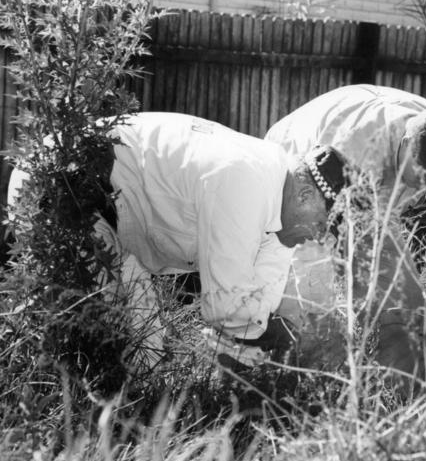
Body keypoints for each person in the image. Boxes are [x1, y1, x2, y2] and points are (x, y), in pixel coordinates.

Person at [7, 112, 354, 370]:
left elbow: (254, 311)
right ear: (306, 195)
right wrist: (284, 353)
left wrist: (275, 338)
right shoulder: (245, 182)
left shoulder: (282, 207)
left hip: (111, 225)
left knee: (147, 355)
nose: (319, 237)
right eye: (324, 224)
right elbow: (226, 308)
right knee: (103, 340)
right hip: (59, 184)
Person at [265, 84, 426, 386]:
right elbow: (314, 244)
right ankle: (291, 381)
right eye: (420, 179)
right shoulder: (352, 148)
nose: (424, 191)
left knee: (402, 303)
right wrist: (322, 326)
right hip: (295, 159)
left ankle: (393, 393)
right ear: (407, 142)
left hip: (368, 194)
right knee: (301, 305)